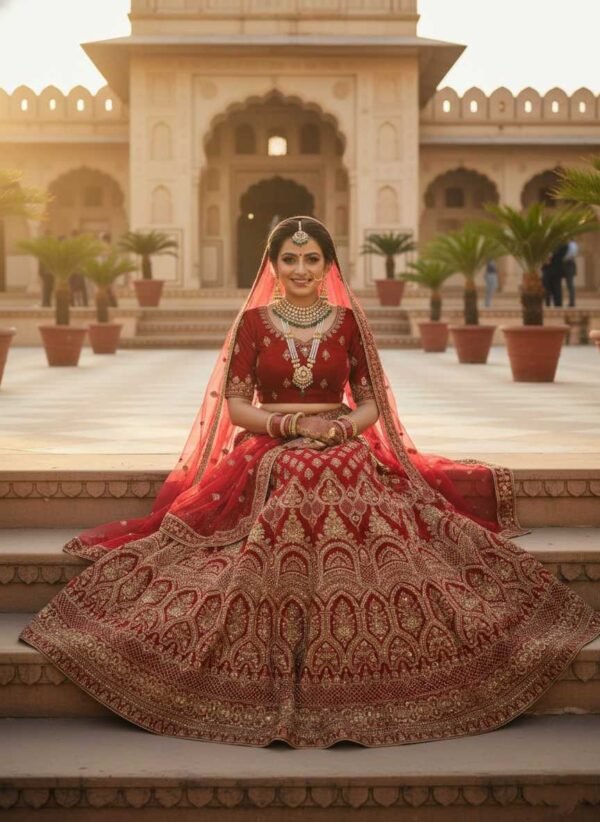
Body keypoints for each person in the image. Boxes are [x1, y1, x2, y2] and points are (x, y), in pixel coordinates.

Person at [18, 217, 599, 748]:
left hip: (340, 439)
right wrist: (292, 425)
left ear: (328, 266)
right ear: (271, 266)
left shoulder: (348, 323)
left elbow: (370, 404)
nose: (300, 270)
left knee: (339, 468)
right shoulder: (252, 324)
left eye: (312, 259)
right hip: (271, 443)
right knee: (296, 472)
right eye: (289, 260)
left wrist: (343, 428)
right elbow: (238, 407)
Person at [563, 240, 579, 307]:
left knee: (570, 285)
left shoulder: (572, 245)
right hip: (568, 265)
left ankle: (572, 302)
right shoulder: (571, 244)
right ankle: (571, 302)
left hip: (569, 265)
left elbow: (571, 255)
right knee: (569, 285)